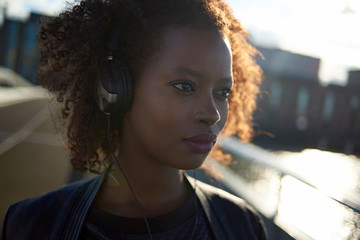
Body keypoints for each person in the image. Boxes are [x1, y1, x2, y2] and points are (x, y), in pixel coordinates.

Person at [1, 0, 266, 239]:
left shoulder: (242, 225)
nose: (212, 113)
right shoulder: (31, 226)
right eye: (185, 86)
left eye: (223, 92)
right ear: (116, 89)